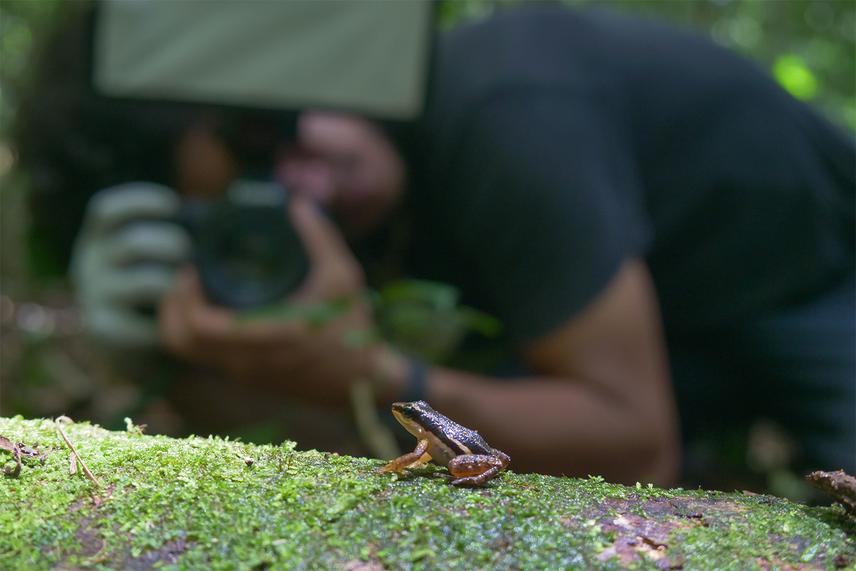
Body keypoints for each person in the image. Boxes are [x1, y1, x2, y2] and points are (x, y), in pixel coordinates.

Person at [15, 3, 854, 485]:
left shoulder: (504, 113)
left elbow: (636, 442)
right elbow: (335, 426)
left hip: (818, 278)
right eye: (249, 205)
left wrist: (376, 373)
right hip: (679, 325)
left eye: (269, 131)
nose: (305, 188)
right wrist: (168, 364)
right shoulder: (370, 210)